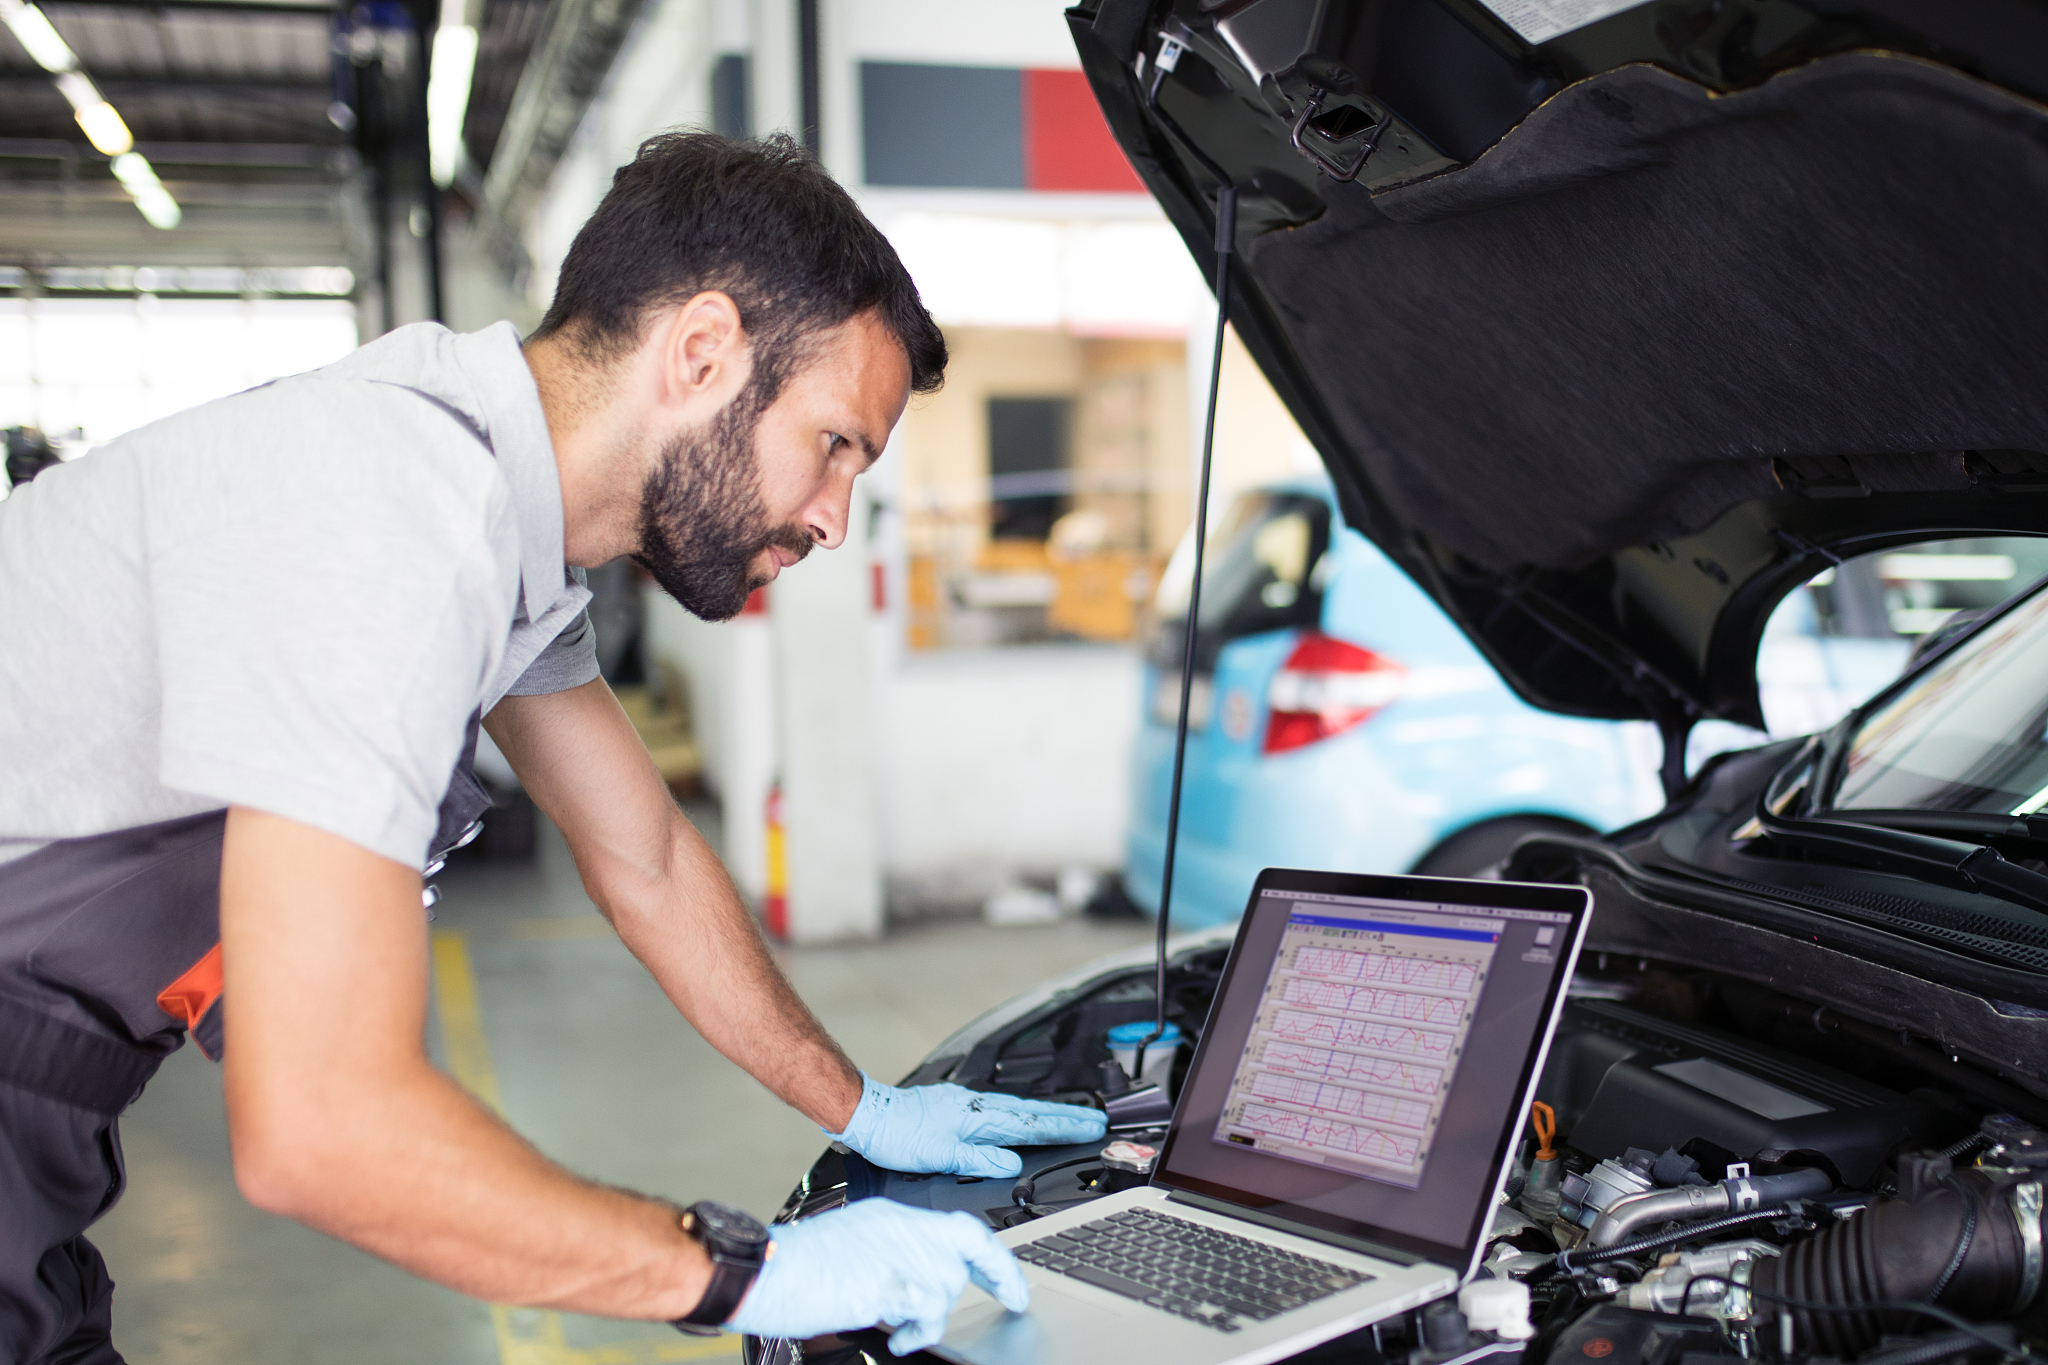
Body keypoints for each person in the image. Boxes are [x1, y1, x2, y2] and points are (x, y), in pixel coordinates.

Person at [0, 131, 1107, 1364]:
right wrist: (746, 1276)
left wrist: (861, 1106)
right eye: (835, 444)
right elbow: (318, 1123)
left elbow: (645, 859)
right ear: (699, 354)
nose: (833, 519)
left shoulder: (486, 510)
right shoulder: (385, 516)